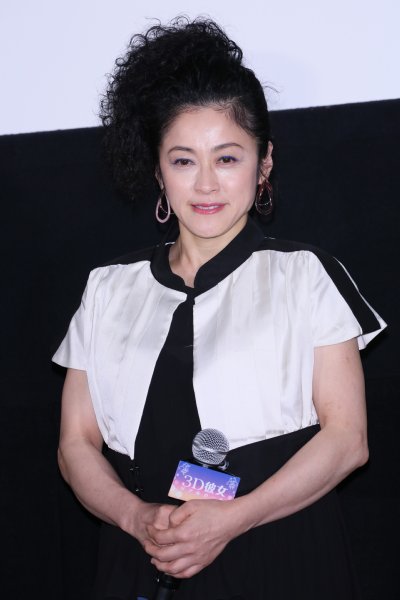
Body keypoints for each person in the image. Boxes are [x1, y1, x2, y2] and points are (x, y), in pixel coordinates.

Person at [52, 16, 386, 600]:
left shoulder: (304, 275)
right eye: (183, 160)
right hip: (140, 555)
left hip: (278, 551)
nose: (206, 184)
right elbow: (75, 442)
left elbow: (347, 439)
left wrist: (233, 519)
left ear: (264, 163)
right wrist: (136, 518)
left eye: (227, 158)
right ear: (159, 170)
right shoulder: (108, 287)